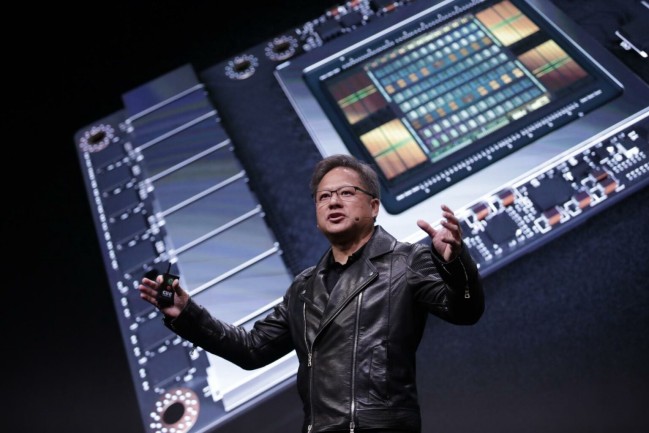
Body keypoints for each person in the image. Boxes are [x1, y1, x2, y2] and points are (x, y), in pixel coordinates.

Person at [139, 153, 484, 433]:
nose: (333, 202)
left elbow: (465, 311)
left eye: (346, 193)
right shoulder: (303, 287)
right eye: (324, 196)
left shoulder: (406, 260)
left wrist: (455, 263)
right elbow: (251, 350)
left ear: (374, 206)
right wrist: (187, 314)